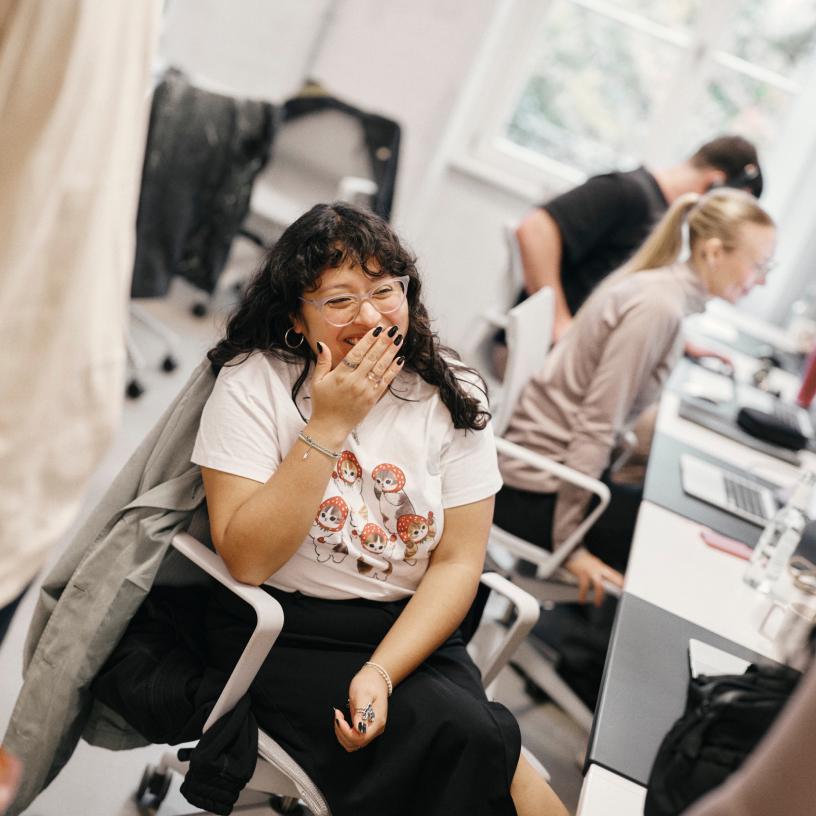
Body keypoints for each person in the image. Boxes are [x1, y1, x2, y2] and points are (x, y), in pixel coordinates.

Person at [192, 202, 568, 816]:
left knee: (475, 742)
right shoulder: (253, 383)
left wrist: (382, 673)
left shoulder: (451, 391)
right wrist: (330, 423)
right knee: (472, 743)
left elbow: (457, 563)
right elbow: (248, 560)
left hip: (410, 630)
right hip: (285, 630)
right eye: (339, 300)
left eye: (384, 291)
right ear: (296, 315)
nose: (369, 316)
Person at [497, 187, 776, 602]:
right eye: (758, 266)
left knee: (671, 521)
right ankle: (588, 653)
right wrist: (569, 547)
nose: (762, 280)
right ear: (715, 253)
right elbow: (596, 425)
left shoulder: (663, 293)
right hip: (537, 495)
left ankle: (584, 642)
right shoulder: (657, 309)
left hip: (550, 479)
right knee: (677, 551)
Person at [514, 135, 762, 344]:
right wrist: (558, 322)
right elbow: (534, 229)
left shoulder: (664, 216)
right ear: (714, 182)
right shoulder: (626, 192)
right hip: (544, 353)